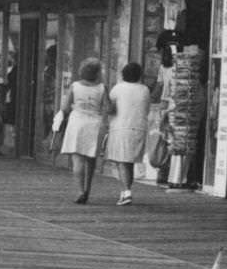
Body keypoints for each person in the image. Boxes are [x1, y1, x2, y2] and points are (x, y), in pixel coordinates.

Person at [56, 58, 110, 205]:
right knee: (90, 159)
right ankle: (87, 189)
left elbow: (66, 107)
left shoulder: (74, 86)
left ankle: (80, 190)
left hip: (77, 122)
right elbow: (108, 108)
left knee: (77, 159)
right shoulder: (102, 88)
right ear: (97, 73)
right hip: (94, 124)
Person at [103, 61, 154, 206]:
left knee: (122, 161)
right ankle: (126, 190)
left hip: (121, 127)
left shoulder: (117, 89)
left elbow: (110, 109)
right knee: (129, 161)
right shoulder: (145, 89)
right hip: (139, 128)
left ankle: (126, 192)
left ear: (123, 74)